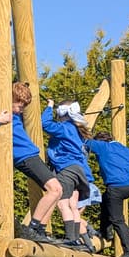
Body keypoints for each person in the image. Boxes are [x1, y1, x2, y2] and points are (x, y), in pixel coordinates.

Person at [0, 82, 63, 243]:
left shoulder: (16, 115)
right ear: (10, 99)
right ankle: (32, 227)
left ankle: (40, 229)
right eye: (20, 105)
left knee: (58, 191)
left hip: (31, 155)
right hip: (24, 157)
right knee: (55, 189)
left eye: (24, 106)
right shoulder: (2, 112)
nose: (22, 109)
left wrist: (49, 106)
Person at [85, 129, 129, 257]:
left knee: (117, 220)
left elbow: (85, 142)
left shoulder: (103, 146)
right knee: (105, 199)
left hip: (116, 187)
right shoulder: (123, 148)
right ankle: (106, 232)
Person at [43, 99, 93, 248]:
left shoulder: (64, 127)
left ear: (62, 113)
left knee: (62, 203)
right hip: (79, 171)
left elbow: (45, 124)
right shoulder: (77, 130)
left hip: (67, 168)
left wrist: (49, 107)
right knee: (72, 205)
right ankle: (77, 239)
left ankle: (71, 238)